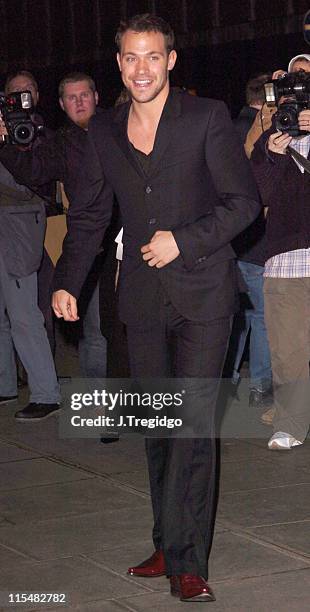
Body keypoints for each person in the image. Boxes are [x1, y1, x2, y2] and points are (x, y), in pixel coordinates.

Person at [52, 14, 260, 603]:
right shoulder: (104, 130)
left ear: (171, 60)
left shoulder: (206, 118)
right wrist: (69, 281)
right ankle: (168, 542)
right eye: (130, 57)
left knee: (192, 425)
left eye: (152, 56)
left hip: (203, 296)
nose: (141, 68)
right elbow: (90, 214)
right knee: (160, 428)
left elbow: (244, 203)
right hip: (140, 298)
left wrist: (185, 239)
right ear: (118, 64)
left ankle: (189, 561)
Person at [0, 72, 115, 383]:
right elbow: (32, 170)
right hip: (90, 247)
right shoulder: (63, 142)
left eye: (84, 95)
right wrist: (5, 144)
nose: (79, 102)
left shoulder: (122, 129)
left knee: (134, 330)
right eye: (71, 98)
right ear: (62, 104)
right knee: (95, 332)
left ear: (97, 97)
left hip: (131, 246)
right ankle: (99, 408)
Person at [251, 53, 310, 449]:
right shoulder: (274, 133)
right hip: (287, 257)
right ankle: (291, 423)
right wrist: (272, 152)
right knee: (287, 349)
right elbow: (259, 194)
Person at [0, 70, 61, 419]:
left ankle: (46, 393)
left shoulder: (38, 134)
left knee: (24, 313)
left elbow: (34, 185)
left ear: (37, 95)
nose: (20, 98)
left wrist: (7, 143)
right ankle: (5, 384)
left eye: (26, 92)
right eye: (13, 93)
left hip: (21, 225)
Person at [227, 74, 274, 408]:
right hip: (257, 237)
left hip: (232, 239)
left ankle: (227, 381)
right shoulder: (259, 131)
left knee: (238, 316)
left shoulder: (224, 127)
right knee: (260, 316)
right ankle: (260, 385)